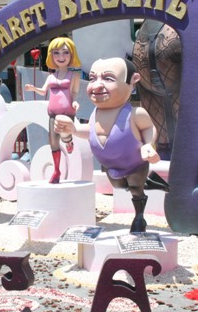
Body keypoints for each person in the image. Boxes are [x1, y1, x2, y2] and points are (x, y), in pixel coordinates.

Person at [55, 57, 160, 233]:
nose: (96, 86)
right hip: (111, 167)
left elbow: (148, 128)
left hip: (134, 164)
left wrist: (149, 145)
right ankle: (151, 182)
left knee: (135, 188)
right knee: (120, 186)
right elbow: (90, 131)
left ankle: (139, 217)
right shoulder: (95, 113)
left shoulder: (135, 113)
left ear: (132, 81)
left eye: (108, 78)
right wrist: (73, 129)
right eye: (93, 79)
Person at [24, 36, 82, 184]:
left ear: (71, 54)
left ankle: (68, 142)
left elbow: (74, 92)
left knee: (64, 136)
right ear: (51, 55)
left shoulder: (74, 75)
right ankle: (56, 170)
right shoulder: (50, 77)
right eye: (56, 53)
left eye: (65, 52)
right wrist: (33, 88)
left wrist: (75, 102)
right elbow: (44, 92)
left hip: (67, 112)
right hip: (52, 113)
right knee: (53, 142)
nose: (61, 57)